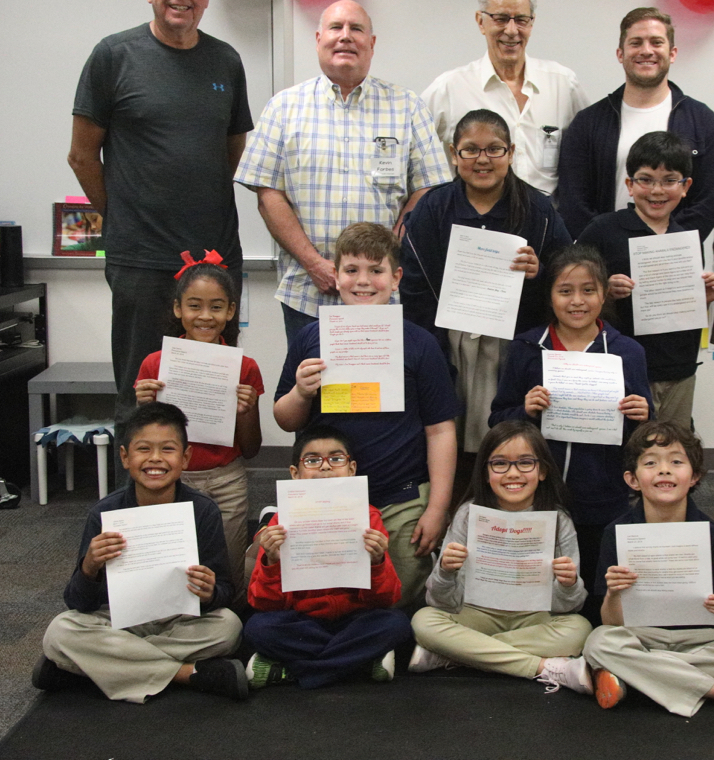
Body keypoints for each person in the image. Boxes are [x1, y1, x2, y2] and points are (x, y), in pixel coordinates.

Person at [68, 0, 252, 430]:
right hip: (142, 259)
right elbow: (82, 155)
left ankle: (211, 501)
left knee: (212, 393)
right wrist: (124, 215)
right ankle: (144, 506)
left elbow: (235, 153)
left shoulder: (226, 61)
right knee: (142, 391)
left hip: (215, 258)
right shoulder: (113, 55)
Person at [234, 0, 450, 352]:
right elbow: (268, 195)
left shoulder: (407, 106)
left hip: (382, 292)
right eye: (336, 28)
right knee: (313, 397)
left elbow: (428, 188)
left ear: (372, 43)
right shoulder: (284, 107)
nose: (345, 37)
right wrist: (315, 264)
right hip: (307, 292)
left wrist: (388, 252)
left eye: (356, 29)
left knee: (377, 398)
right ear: (318, 38)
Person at [273, 222, 460, 611]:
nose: (363, 281)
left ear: (396, 279)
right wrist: (301, 392)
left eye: (376, 271)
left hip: (402, 497)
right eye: (352, 270)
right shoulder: (311, 338)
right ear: (335, 276)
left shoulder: (420, 343)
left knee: (400, 600)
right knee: (329, 599)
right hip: (327, 500)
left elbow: (440, 429)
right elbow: (285, 419)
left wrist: (438, 507)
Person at [34, 403, 246, 703]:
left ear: (185, 458)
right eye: (144, 449)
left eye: (168, 449)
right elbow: (77, 602)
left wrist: (209, 592)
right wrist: (89, 567)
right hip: (120, 618)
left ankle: (91, 666)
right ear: (125, 457)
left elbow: (224, 591)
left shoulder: (203, 511)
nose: (155, 459)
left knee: (229, 627)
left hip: (179, 619)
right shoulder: (105, 512)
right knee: (60, 632)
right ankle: (186, 674)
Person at [489, 243, 653, 621]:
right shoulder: (528, 348)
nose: (577, 301)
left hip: (602, 494)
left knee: (595, 595)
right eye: (565, 291)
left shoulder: (627, 352)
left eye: (588, 290)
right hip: (537, 496)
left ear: (603, 294)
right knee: (539, 592)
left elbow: (644, 433)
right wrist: (525, 410)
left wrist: (643, 415)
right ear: (549, 296)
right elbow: (497, 420)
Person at [581, 421, 714, 718]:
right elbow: (611, 623)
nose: (664, 470)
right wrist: (614, 594)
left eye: (676, 462)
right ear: (632, 479)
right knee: (599, 641)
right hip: (641, 636)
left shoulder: (713, 535)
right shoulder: (617, 533)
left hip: (700, 640)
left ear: (695, 477)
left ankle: (639, 674)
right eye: (651, 463)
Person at [401, 109, 571, 461]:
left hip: (514, 341)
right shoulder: (433, 208)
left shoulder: (537, 209)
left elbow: (568, 275)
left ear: (510, 152)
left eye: (494, 149)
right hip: (447, 339)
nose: (483, 160)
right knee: (447, 435)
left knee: (508, 439)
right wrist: (431, 352)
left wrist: (540, 273)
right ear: (453, 154)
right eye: (470, 150)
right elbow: (413, 287)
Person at [409, 421, 593, 695]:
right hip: (477, 614)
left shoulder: (559, 521)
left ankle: (456, 654)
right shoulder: (468, 514)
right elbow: (438, 601)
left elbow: (570, 607)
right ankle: (544, 667)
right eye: (500, 464)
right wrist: (445, 571)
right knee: (423, 620)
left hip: (534, 619)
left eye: (525, 463)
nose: (513, 473)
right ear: (485, 473)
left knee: (580, 628)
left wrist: (568, 584)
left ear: (542, 471)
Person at [243, 425, 413, 690]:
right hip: (301, 621)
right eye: (312, 460)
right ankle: (358, 663)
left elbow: (387, 598)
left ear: (352, 469)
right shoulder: (279, 522)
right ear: (295, 474)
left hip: (353, 620)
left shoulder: (368, 517)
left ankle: (293, 670)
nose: (325, 467)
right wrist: (272, 563)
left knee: (396, 624)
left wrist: (378, 563)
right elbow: (262, 603)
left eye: (336, 459)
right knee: (257, 628)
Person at [133, 255, 262, 599]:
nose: (205, 316)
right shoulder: (155, 364)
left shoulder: (244, 368)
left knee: (229, 574)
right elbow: (142, 442)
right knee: (169, 564)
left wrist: (246, 410)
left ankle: (227, 627)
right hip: (172, 480)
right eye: (194, 306)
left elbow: (251, 449)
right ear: (178, 309)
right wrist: (143, 406)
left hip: (226, 480)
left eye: (216, 307)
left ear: (231, 311)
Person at [576, 131, 714, 429]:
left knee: (671, 449)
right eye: (646, 179)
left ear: (686, 187)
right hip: (622, 366)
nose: (657, 190)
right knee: (625, 451)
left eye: (670, 180)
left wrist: (703, 298)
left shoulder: (686, 240)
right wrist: (604, 291)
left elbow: (687, 307)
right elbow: (570, 289)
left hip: (680, 367)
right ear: (630, 185)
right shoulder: (603, 230)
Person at [557, 7, 714, 239]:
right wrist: (607, 246)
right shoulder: (588, 123)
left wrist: (664, 249)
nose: (646, 51)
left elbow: (708, 203)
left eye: (656, 42)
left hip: (675, 261)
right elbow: (573, 203)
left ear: (673, 53)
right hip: (604, 264)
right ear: (620, 53)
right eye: (636, 43)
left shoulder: (703, 121)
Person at [423, 0, 586, 196]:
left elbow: (587, 156)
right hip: (477, 225)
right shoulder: (449, 89)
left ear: (532, 22)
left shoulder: (563, 84)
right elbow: (415, 155)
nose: (511, 30)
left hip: (548, 224)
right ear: (481, 22)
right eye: (500, 18)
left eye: (521, 19)